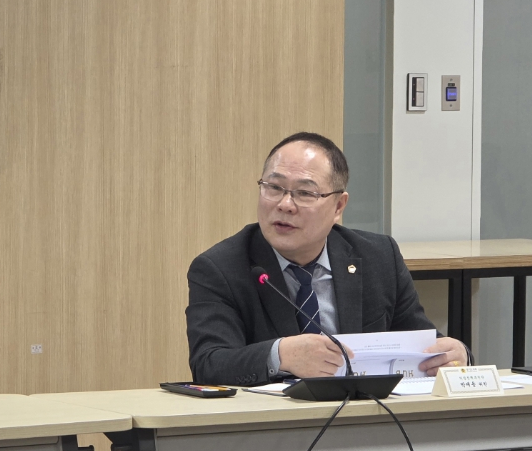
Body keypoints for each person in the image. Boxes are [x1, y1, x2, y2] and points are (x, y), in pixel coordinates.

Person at [186, 132, 471, 386]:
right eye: (274, 188)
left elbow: (423, 343)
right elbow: (209, 365)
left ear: (338, 206)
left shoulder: (378, 257)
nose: (285, 205)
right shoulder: (220, 268)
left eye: (304, 193)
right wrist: (280, 355)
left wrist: (457, 355)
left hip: (367, 418)